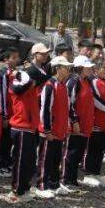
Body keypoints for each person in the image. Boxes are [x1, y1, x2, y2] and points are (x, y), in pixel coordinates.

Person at [8, 43, 50, 202]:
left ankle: (24, 189)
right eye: (43, 53)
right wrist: (26, 77)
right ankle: (16, 191)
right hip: (21, 125)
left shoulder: (32, 76)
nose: (45, 56)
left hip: (30, 125)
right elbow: (18, 89)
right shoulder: (22, 78)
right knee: (21, 160)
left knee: (29, 159)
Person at [36, 55, 72, 198]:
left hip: (60, 129)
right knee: (45, 159)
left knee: (56, 158)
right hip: (49, 131)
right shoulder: (50, 85)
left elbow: (66, 107)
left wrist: (66, 125)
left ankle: (54, 184)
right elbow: (45, 109)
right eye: (65, 67)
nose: (68, 69)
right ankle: (41, 185)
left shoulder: (63, 85)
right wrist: (47, 129)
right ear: (57, 69)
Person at [61, 55, 95, 191]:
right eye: (88, 67)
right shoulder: (74, 81)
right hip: (75, 125)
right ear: (80, 67)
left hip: (85, 124)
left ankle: (73, 179)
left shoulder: (87, 81)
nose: (91, 68)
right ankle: (65, 179)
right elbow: (69, 102)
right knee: (71, 153)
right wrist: (74, 120)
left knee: (78, 153)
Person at [83, 57, 105, 184]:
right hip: (95, 120)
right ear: (95, 69)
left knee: (101, 148)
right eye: (103, 67)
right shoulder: (94, 82)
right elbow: (97, 102)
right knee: (93, 147)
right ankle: (88, 174)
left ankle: (96, 173)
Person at [0, 49, 20, 177]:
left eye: (17, 57)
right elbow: (3, 95)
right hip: (6, 113)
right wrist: (3, 115)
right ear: (6, 60)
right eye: (13, 57)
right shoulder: (3, 74)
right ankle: (1, 164)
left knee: (10, 139)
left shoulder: (16, 73)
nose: (16, 60)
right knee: (4, 140)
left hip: (14, 112)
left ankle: (8, 161)